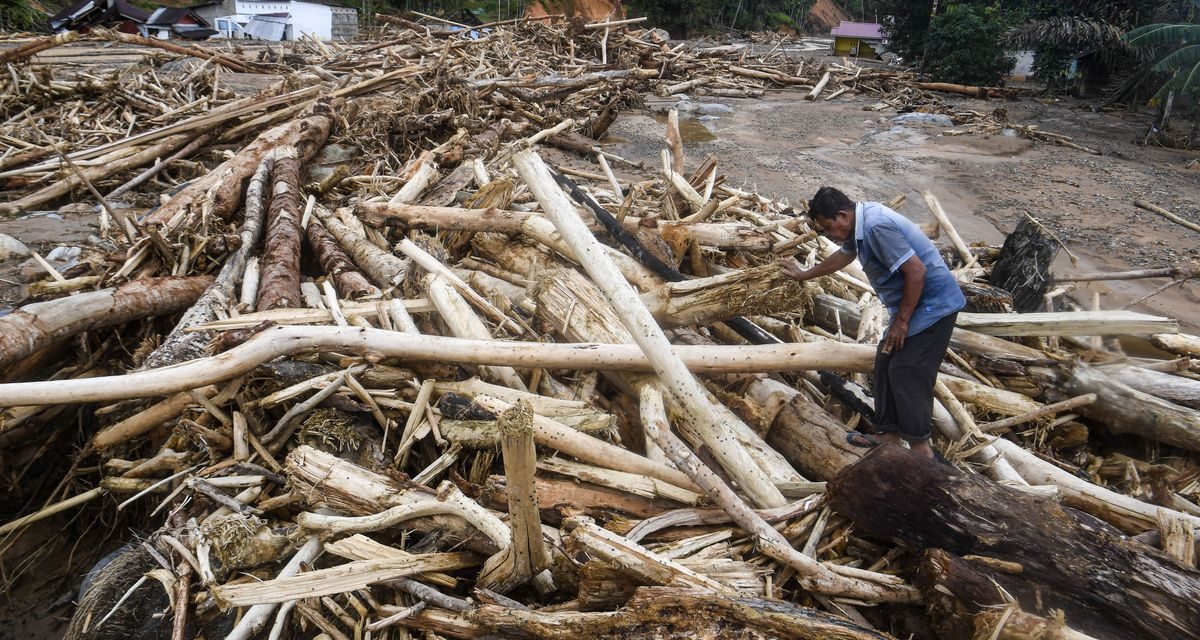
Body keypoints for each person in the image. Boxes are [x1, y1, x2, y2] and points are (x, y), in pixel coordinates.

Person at [783, 187, 965, 460]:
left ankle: (921, 451)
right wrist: (805, 275)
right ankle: (888, 437)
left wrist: (901, 322)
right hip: (915, 304)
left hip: (934, 306)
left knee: (908, 371)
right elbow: (844, 255)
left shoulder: (876, 227)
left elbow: (916, 271)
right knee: (886, 360)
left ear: (842, 216)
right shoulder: (861, 222)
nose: (830, 234)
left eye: (828, 227)